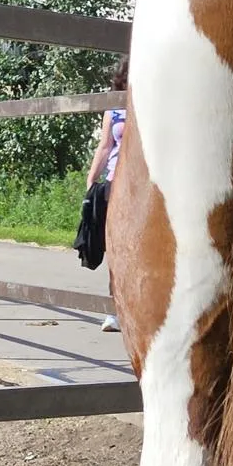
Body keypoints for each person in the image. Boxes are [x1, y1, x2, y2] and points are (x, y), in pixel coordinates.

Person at [84, 58, 129, 333]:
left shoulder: (151, 102)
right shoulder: (114, 108)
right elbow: (105, 146)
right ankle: (114, 310)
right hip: (114, 183)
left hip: (141, 184)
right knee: (115, 247)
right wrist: (92, 179)